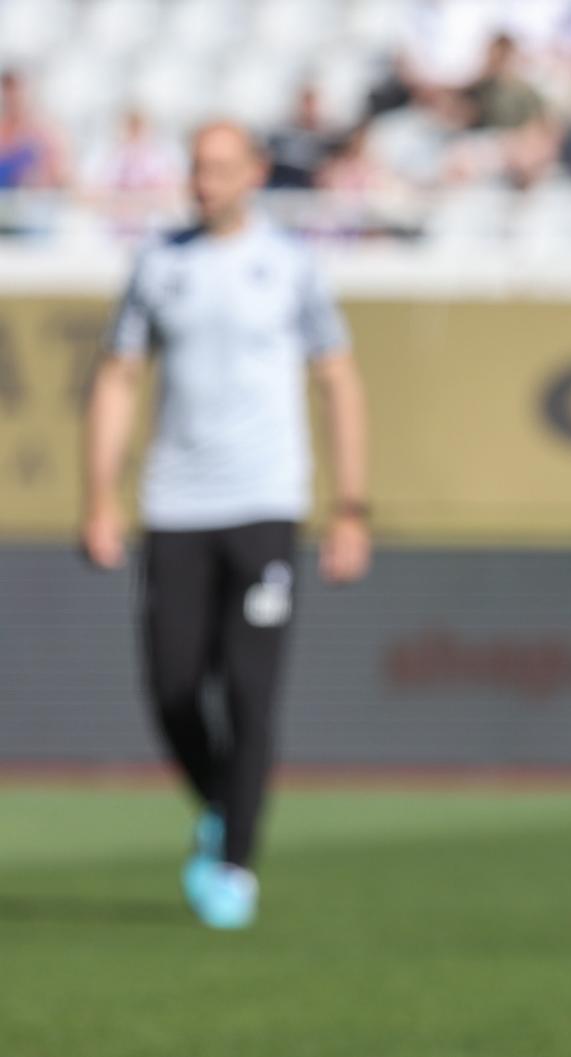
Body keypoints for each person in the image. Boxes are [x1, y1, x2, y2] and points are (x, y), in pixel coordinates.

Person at [81, 121, 371, 930]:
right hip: (176, 503)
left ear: (254, 172)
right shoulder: (158, 264)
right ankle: (222, 803)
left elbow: (338, 378)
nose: (202, 182)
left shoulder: (290, 265)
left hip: (265, 503)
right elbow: (118, 377)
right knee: (171, 686)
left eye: (218, 168)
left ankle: (234, 861)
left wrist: (351, 506)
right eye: (195, 167)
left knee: (250, 691)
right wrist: (98, 495)